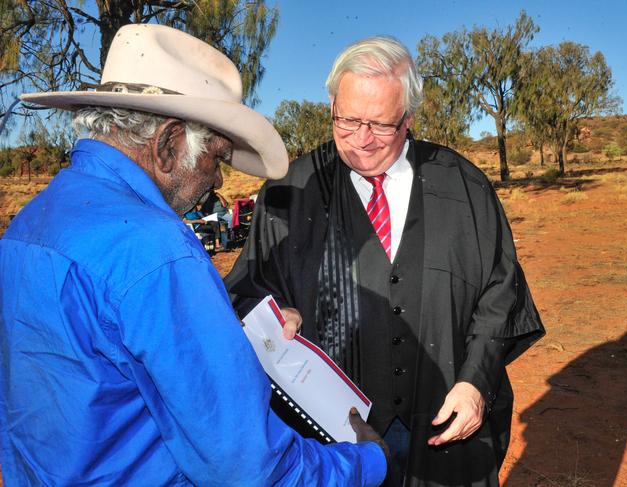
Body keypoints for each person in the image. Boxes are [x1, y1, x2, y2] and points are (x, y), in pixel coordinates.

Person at [0, 24, 388, 486]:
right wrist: (367, 462)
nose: (219, 183)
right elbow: (250, 469)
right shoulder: (158, 252)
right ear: (168, 145)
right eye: (216, 159)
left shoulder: (29, 223)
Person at [226, 36, 545, 486]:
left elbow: (500, 295)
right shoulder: (289, 193)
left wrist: (476, 382)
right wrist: (272, 314)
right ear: (333, 105)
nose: (361, 140)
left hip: (444, 424)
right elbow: (245, 291)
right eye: (347, 120)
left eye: (379, 125)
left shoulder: (465, 187)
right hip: (335, 438)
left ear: (408, 118)